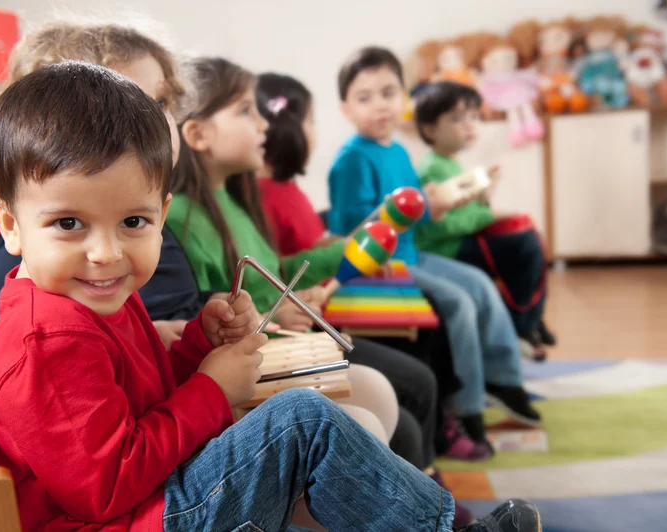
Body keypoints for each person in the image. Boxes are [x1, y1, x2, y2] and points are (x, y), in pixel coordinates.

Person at [0, 60, 541, 532]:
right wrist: (211, 388)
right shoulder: (48, 340)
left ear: (161, 216)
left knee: (315, 418)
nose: (106, 253)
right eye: (69, 223)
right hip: (135, 519)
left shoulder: (85, 299)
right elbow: (107, 487)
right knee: (302, 420)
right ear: (10, 223)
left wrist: (199, 344)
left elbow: (141, 402)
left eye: (133, 222)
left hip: (152, 502)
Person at [165, 56, 466, 501]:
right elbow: (211, 316)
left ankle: (428, 493)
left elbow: (276, 272)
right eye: (247, 110)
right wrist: (271, 311)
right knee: (407, 393)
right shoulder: (184, 218)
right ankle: (424, 497)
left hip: (291, 335)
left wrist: (343, 252)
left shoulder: (233, 198)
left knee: (412, 380)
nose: (264, 124)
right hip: (271, 352)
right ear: (198, 134)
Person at [256, 71, 491, 464]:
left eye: (387, 92)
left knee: (433, 325)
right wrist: (358, 242)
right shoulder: (271, 193)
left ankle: (446, 422)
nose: (316, 132)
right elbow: (290, 264)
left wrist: (360, 239)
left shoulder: (289, 189)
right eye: (312, 122)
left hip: (326, 291)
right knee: (426, 336)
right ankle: (438, 438)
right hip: (316, 308)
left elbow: (318, 243)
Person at [0, 22, 207, 393]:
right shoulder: (34, 249)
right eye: (129, 103)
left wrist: (190, 332)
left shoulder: (132, 212)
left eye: (160, 103)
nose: (155, 121)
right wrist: (211, 387)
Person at [326, 46, 541, 446]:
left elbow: (418, 209)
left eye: (389, 93)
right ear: (346, 109)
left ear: (404, 98)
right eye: (364, 97)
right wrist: (421, 205)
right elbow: (353, 231)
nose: (380, 106)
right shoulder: (352, 160)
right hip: (383, 265)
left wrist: (449, 199)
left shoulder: (399, 150)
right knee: (459, 302)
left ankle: (503, 379)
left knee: (479, 284)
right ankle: (467, 405)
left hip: (411, 254)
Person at [413, 81, 555, 359]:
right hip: (445, 250)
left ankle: (529, 318)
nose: (469, 125)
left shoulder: (450, 163)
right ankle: (522, 324)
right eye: (457, 118)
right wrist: (488, 213)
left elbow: (463, 213)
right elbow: (443, 226)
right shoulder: (432, 168)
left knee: (528, 237)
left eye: (474, 117)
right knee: (525, 244)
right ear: (430, 129)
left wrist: (484, 197)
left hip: (459, 242)